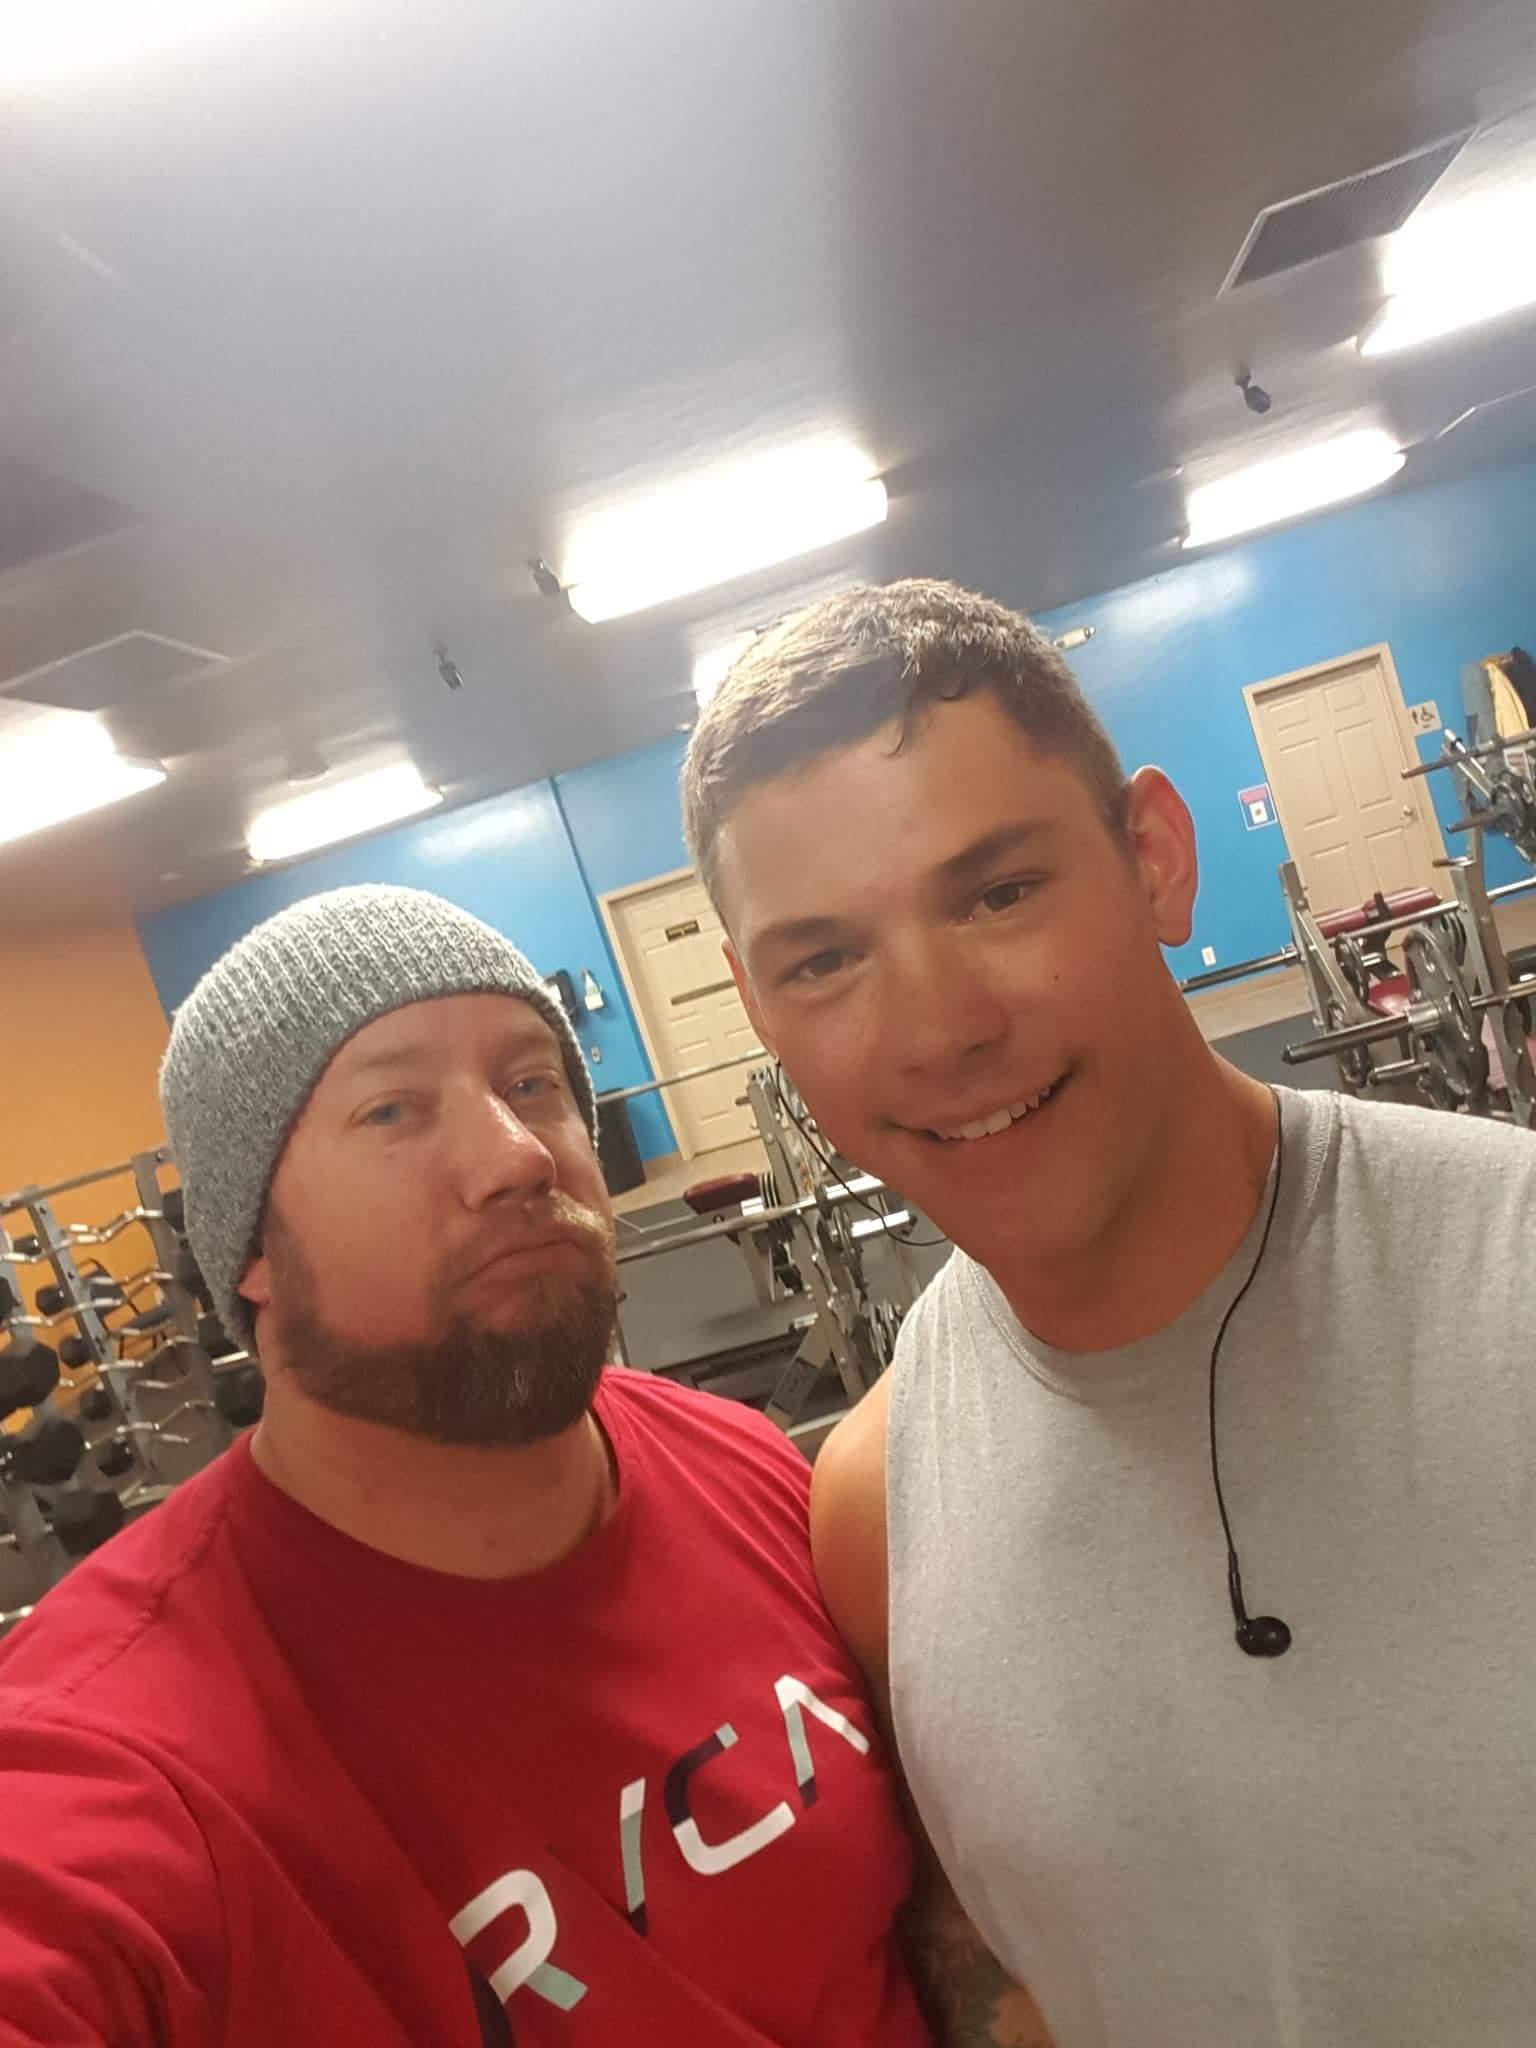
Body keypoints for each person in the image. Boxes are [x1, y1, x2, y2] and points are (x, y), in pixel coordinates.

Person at [681, 577, 1536, 2048]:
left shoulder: (1510, 1284)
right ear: (760, 1012)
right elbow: (1008, 1970)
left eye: (997, 892)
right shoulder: (876, 1504)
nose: (940, 1026)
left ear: (1154, 858)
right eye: (823, 959)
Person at [0, 885, 957, 2047]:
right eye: (393, 1108)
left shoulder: (740, 1462)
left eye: (532, 1083)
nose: (516, 1156)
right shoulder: (108, 1748)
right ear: (251, 1249)